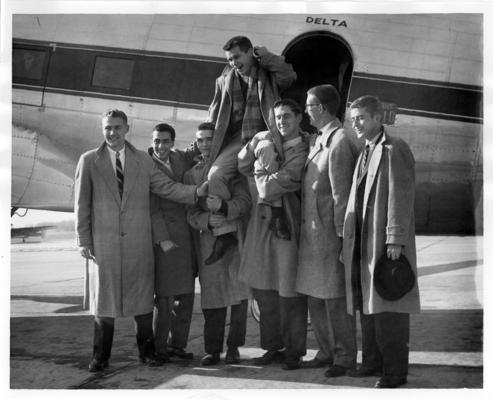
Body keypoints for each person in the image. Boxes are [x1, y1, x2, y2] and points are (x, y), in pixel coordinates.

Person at [75, 109, 207, 373]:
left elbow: (167, 187)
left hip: (138, 243)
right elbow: (81, 204)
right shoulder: (89, 160)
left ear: (127, 129)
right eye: (107, 128)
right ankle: (100, 357)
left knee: (143, 301)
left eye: (117, 127)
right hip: (104, 245)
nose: (112, 133)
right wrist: (83, 240)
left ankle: (146, 353)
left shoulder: (143, 162)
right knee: (105, 302)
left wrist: (196, 192)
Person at [342, 96, 420, 388]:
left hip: (383, 243)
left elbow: (401, 195)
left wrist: (395, 239)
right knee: (367, 306)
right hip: (362, 242)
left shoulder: (393, 148)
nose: (356, 124)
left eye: (361, 117)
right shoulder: (365, 150)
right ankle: (372, 363)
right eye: (353, 119)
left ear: (377, 118)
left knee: (390, 308)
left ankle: (395, 372)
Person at [204, 35, 297, 263]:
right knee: (214, 174)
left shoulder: (267, 74)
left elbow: (289, 75)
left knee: (268, 158)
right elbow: (214, 111)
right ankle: (225, 233)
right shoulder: (225, 79)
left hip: (263, 131)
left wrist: (265, 56)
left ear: (249, 53)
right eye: (230, 59)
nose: (234, 62)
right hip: (237, 137)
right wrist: (208, 140)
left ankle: (277, 216)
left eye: (237, 57)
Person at [238, 99, 308, 370]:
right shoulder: (268, 141)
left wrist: (263, 175)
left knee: (289, 293)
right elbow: (242, 164)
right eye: (278, 117)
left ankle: (294, 351)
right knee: (265, 291)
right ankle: (271, 348)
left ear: (299, 117)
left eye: (287, 116)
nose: (282, 122)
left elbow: (282, 182)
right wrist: (257, 141)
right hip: (262, 225)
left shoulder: (303, 149)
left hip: (287, 224)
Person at [296, 85, 358, 377]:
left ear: (321, 108)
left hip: (330, 236)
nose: (306, 110)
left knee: (335, 299)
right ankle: (325, 350)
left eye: (309, 106)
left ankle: (344, 357)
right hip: (312, 234)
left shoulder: (340, 141)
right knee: (315, 296)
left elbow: (341, 196)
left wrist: (344, 238)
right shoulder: (322, 138)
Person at [184, 122, 251, 366]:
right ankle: (212, 350)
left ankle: (234, 347)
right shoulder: (191, 174)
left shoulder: (232, 172)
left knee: (238, 299)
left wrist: (225, 209)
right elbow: (190, 213)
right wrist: (207, 220)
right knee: (212, 300)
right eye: (200, 140)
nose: (204, 144)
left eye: (209, 139)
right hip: (208, 243)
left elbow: (244, 203)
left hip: (233, 242)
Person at [148, 123, 198, 362]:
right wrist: (162, 239)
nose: (160, 146)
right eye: (156, 141)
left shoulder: (179, 158)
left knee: (186, 296)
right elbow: (152, 209)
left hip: (186, 235)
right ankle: (159, 348)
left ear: (172, 142)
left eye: (165, 141)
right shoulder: (146, 165)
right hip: (166, 238)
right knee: (166, 298)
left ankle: (178, 345)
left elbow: (198, 147)